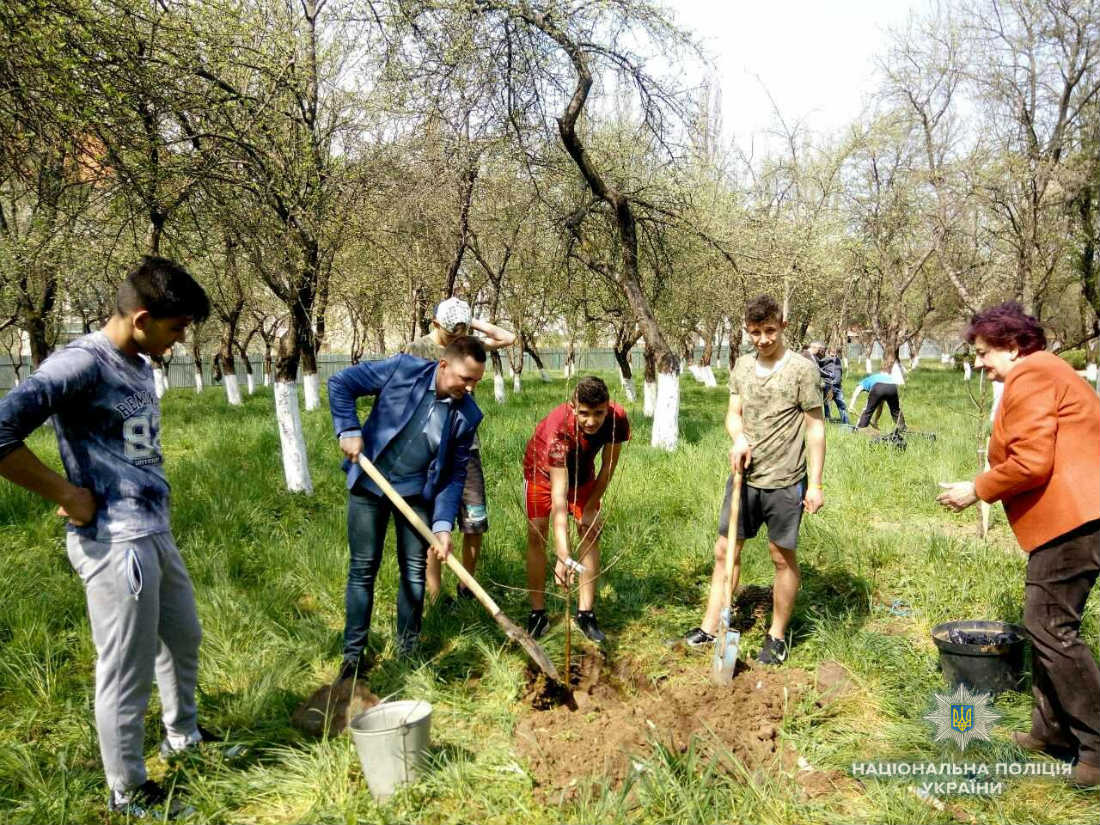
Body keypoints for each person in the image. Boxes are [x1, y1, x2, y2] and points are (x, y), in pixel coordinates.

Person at [0, 257, 211, 816]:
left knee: (183, 638)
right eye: (176, 328)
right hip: (116, 542)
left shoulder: (138, 359)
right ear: (141, 319)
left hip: (153, 529)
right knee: (125, 670)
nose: (181, 340)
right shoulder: (80, 363)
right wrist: (67, 494)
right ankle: (128, 789)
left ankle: (183, 738)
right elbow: (1, 431)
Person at [936, 302, 1099, 790]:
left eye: (984, 352)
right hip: (1076, 515)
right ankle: (1050, 731)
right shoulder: (1047, 370)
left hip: (1074, 519)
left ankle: (1096, 749)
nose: (980, 362)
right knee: (1048, 627)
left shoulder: (1032, 374)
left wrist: (977, 489)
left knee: (1049, 627)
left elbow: (1031, 461)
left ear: (1012, 346)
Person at [327, 336, 486, 678]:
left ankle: (407, 651)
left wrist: (442, 526)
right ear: (443, 365)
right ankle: (353, 658)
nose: (470, 387)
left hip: (415, 493)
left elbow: (453, 475)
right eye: (465, 378)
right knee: (363, 569)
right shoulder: (403, 370)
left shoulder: (467, 415)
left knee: (414, 570)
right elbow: (341, 383)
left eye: (476, 381)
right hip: (370, 483)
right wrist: (348, 428)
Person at [680, 294, 825, 665]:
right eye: (755, 332)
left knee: (781, 557)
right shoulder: (742, 367)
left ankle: (776, 636)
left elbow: (815, 428)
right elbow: (733, 414)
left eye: (770, 330)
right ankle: (712, 626)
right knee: (725, 552)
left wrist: (815, 484)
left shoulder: (802, 370)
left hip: (785, 481)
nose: (763, 339)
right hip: (743, 478)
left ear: (783, 326)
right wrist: (739, 438)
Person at [404, 297, 515, 605]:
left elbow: (507, 337)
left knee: (475, 519)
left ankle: (467, 587)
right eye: (451, 331)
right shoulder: (417, 348)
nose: (457, 337)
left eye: (461, 331)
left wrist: (469, 320)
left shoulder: (468, 344)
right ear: (435, 324)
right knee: (432, 524)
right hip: (429, 447)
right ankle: (435, 595)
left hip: (467, 446)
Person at [523, 376, 629, 644]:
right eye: (584, 413)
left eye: (598, 413)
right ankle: (538, 614)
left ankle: (585, 614)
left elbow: (608, 466)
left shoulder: (617, 419)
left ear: (608, 407)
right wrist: (563, 554)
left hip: (583, 472)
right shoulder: (559, 430)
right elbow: (559, 497)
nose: (591, 421)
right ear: (573, 408)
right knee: (537, 534)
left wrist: (591, 506)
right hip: (541, 472)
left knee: (590, 531)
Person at [815, 344, 849, 424]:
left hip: (838, 387)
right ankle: (828, 422)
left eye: (835, 353)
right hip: (828, 386)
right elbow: (817, 368)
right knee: (827, 405)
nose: (834, 355)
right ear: (829, 352)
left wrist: (839, 381)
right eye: (832, 353)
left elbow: (839, 372)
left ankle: (846, 423)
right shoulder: (824, 360)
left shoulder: (838, 361)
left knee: (842, 405)